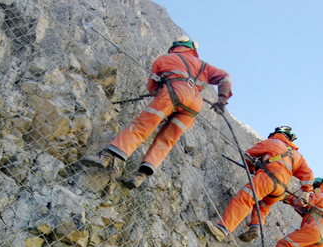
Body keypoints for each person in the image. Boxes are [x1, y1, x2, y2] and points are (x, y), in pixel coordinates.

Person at [84, 36, 232, 189]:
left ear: (175, 46)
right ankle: (139, 176)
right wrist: (221, 100)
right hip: (194, 104)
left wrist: (163, 104)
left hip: (172, 93)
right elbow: (225, 77)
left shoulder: (165, 58)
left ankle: (106, 157)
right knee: (167, 140)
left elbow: (152, 87)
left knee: (144, 125)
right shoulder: (204, 66)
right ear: (193, 50)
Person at [206, 126, 313, 242]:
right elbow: (308, 174)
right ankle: (255, 227)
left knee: (245, 197)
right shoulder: (297, 156)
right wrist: (306, 191)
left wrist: (252, 169)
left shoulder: (271, 142)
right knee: (263, 206)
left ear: (276, 134)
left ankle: (222, 229)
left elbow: (248, 156)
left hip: (267, 178)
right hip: (281, 189)